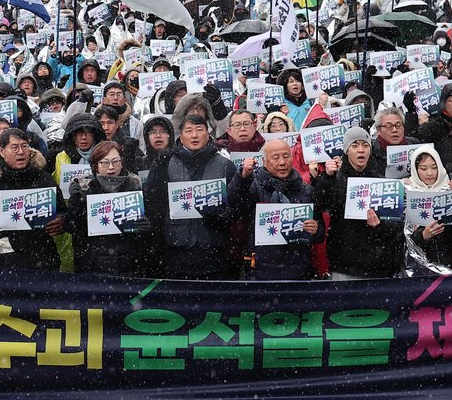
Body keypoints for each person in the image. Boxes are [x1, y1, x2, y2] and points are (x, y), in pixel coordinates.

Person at [142, 114, 238, 279]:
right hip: (177, 250)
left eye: (199, 130)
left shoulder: (225, 165)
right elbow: (153, 203)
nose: (194, 135)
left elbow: (236, 204)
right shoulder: (166, 162)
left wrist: (222, 217)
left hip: (213, 250)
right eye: (189, 131)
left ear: (208, 134)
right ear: (180, 135)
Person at [0, 128, 65, 269]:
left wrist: (61, 221)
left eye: (24, 146)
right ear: (1, 151)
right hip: (1, 258)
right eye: (14, 147)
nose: (20, 152)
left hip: (41, 256)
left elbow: (62, 210)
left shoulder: (43, 178)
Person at [313, 127, 402, 280]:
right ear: (346, 150)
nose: (361, 150)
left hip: (377, 265)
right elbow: (321, 204)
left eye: (365, 145)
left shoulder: (382, 182)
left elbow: (395, 227)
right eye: (355, 145)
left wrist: (379, 226)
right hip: (345, 264)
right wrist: (327, 178)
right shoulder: (335, 179)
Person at [229, 138, 322, 280]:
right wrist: (242, 177)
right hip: (260, 270)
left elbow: (320, 232)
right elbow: (234, 202)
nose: (282, 162)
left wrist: (315, 230)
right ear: (265, 162)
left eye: (286, 156)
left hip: (297, 270)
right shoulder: (254, 186)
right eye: (276, 158)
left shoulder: (306, 190)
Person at [67, 141, 155, 276]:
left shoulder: (134, 188)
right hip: (92, 267)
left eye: (116, 161)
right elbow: (71, 227)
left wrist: (146, 227)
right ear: (95, 165)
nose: (111, 167)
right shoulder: (85, 188)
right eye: (105, 163)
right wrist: (76, 201)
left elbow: (145, 237)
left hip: (128, 266)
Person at [402, 145, 452, 270]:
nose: (430, 173)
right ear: (415, 169)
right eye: (423, 168)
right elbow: (402, 235)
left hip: (451, 260)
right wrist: (423, 235)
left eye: (434, 168)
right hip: (420, 267)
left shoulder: (450, 188)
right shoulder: (407, 192)